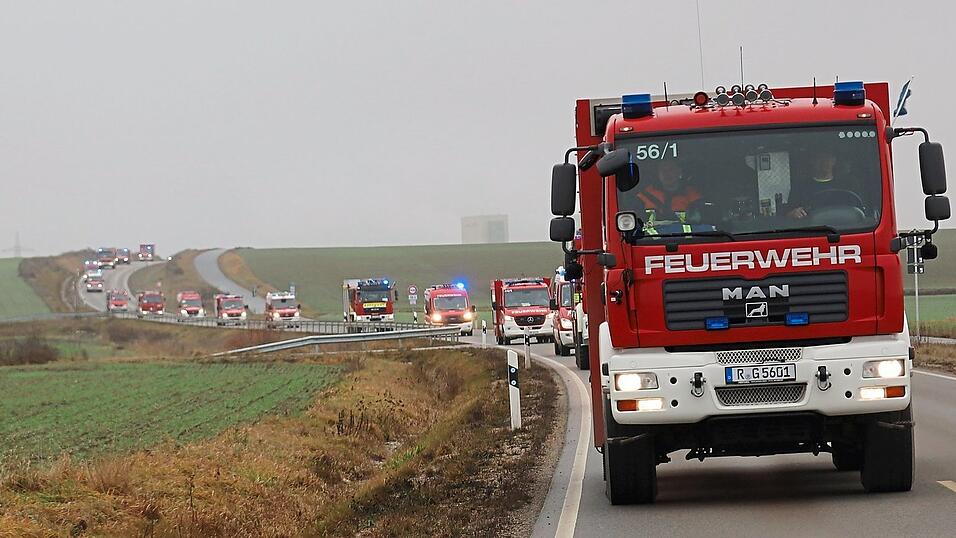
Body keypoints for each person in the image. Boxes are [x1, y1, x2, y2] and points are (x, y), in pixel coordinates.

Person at [787, 151, 857, 219]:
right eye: (820, 158)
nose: (824, 162)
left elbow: (858, 211)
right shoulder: (800, 187)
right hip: (811, 229)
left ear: (834, 160)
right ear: (812, 161)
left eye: (828, 158)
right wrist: (794, 213)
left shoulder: (847, 185)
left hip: (845, 228)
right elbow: (788, 214)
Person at [634, 160, 702, 224]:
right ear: (658, 174)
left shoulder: (691, 195)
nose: (667, 173)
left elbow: (699, 222)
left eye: (671, 169)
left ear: (679, 172)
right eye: (663, 170)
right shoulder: (644, 196)